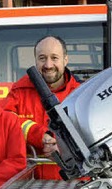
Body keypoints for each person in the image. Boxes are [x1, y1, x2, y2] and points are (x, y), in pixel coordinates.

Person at [4, 35, 80, 180]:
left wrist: (64, 148)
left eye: (54, 58)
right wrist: (39, 135)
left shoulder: (80, 94)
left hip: (73, 186)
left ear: (65, 60)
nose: (48, 65)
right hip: (29, 186)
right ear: (35, 61)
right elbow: (4, 121)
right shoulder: (20, 90)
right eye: (42, 58)